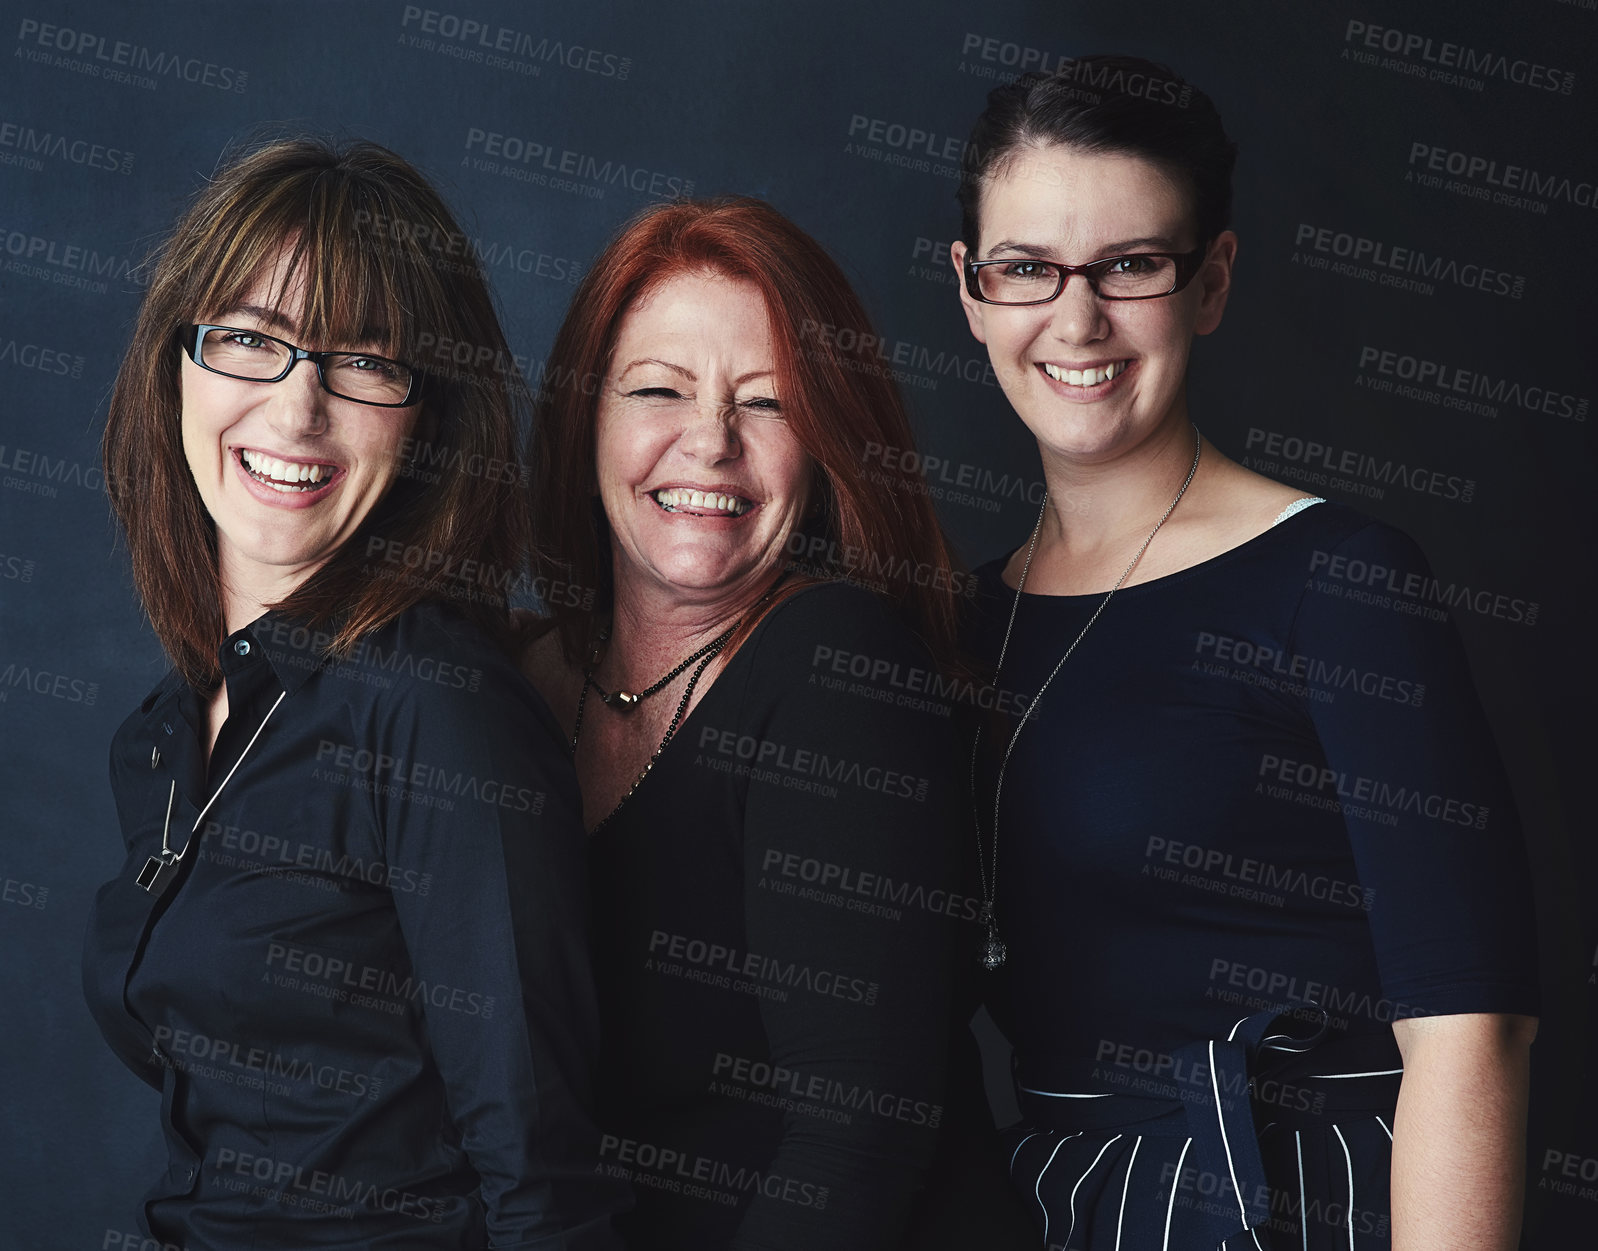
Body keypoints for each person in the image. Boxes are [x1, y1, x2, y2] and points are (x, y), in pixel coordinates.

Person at [951, 58, 1539, 1250]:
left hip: (1302, 1204)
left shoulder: (1340, 581)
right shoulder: (953, 619)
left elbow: (1471, 1028)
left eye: (1130, 265)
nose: (1076, 320)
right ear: (968, 290)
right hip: (1046, 1208)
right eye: (1025, 269)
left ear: (1208, 281)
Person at [84, 137, 625, 1248]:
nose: (296, 413)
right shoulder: (168, 734)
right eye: (249, 341)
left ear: (426, 417)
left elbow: (544, 1180)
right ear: (174, 363)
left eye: (364, 362)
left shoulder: (434, 712)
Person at [522, 196, 1006, 1249]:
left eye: (769, 404)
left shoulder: (838, 671)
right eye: (657, 390)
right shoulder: (512, 683)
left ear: (825, 445)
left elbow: (858, 1142)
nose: (709, 443)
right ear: (582, 417)